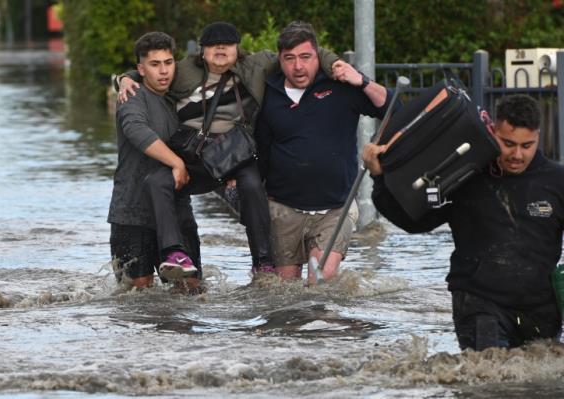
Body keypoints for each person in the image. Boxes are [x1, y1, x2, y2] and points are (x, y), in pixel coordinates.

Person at [118, 22, 340, 280]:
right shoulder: (183, 71)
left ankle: (262, 261)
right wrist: (123, 79)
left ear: (238, 49)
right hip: (193, 154)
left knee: (252, 184)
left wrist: (335, 64)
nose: (220, 48)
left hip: (233, 152)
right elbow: (152, 70)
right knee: (157, 181)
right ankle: (173, 252)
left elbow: (305, 52)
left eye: (228, 44)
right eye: (213, 45)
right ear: (202, 51)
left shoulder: (256, 65)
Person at [363, 94, 564, 350]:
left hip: (541, 310)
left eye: (527, 146)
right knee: (486, 382)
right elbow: (415, 222)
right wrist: (379, 178)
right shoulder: (466, 173)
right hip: (479, 303)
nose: (517, 154)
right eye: (508, 143)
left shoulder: (557, 181)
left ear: (538, 137)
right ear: (493, 130)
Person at [255, 21, 395, 284]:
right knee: (285, 291)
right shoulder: (267, 92)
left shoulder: (341, 87)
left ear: (317, 56)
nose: (298, 66)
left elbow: (390, 106)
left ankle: (321, 327)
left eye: (306, 57)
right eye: (290, 59)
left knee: (320, 279)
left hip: (335, 208)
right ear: (280, 60)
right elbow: (261, 149)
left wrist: (361, 80)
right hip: (283, 208)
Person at [108, 31, 201, 291]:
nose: (163, 71)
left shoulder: (180, 96)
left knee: (192, 288)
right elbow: (136, 130)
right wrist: (176, 163)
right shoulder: (132, 96)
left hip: (177, 207)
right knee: (137, 294)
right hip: (132, 212)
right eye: (154, 64)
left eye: (168, 63)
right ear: (141, 68)